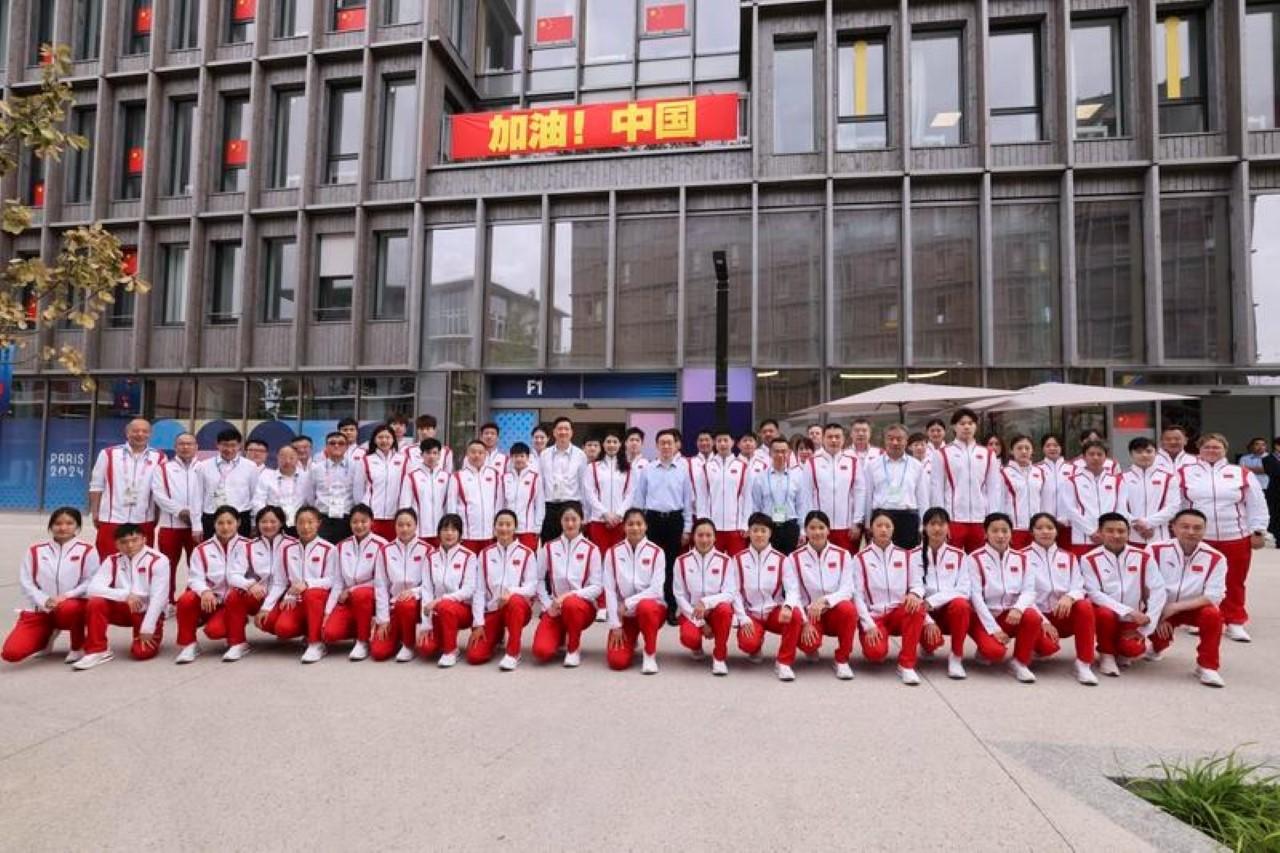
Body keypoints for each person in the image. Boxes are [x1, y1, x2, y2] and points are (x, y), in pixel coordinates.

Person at [1177, 433, 1268, 642]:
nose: (1211, 451)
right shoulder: (1185, 474)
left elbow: (1257, 504)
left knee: (1234, 580)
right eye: (1207, 447)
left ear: (1225, 450)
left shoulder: (1241, 473)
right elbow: (1178, 504)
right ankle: (1196, 618)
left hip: (1235, 535)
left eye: (1216, 447)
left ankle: (1234, 621)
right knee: (1196, 580)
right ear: (1199, 450)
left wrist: (1258, 530)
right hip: (1198, 537)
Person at [2, 507, 97, 665]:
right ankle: (47, 636)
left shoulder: (87, 550)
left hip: (72, 607)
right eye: (58, 523)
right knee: (11, 653)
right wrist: (44, 600)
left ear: (77, 527)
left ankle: (77, 646)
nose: (63, 527)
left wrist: (66, 596)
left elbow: (90, 581)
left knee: (69, 608)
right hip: (41, 610)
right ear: (51, 526)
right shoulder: (35, 551)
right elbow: (26, 582)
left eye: (69, 523)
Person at [1149, 509, 1228, 687]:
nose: (1191, 532)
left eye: (1197, 528)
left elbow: (1214, 595)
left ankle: (1207, 667)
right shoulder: (1155, 550)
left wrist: (1175, 607)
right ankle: (1156, 647)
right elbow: (1146, 585)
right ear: (1173, 527)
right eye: (1185, 527)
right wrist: (1159, 613)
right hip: (1160, 607)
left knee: (1212, 615)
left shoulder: (1216, 558)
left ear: (1205, 530)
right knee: (1155, 639)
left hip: (1193, 607)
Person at [74, 523, 170, 670]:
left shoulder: (159, 560)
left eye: (134, 540)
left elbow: (159, 597)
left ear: (144, 539)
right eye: (124, 542)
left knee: (141, 653)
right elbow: (92, 589)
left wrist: (148, 627)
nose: (130, 545)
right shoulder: (112, 560)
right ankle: (98, 650)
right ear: (116, 544)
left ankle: (145, 634)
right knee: (96, 602)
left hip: (146, 612)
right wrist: (125, 595)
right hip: (124, 608)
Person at [1081, 513, 1166, 677]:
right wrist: (1127, 611)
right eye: (1110, 531)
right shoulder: (1088, 559)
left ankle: (1121, 650)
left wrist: (1147, 623)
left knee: (1132, 650)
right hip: (1106, 617)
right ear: (1100, 532)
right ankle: (1106, 654)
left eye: (1121, 531)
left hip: (1134, 619)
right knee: (1104, 613)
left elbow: (1158, 588)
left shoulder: (1143, 557)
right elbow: (1093, 593)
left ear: (1128, 533)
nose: (1116, 535)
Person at [966, 513, 1043, 683]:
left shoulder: (1022, 558)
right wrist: (993, 628)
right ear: (985, 534)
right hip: (984, 618)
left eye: (1005, 531)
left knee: (1032, 616)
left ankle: (1020, 662)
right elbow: (975, 596)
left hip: (1010, 615)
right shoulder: (974, 558)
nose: (1000, 535)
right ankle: (985, 647)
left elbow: (1029, 591)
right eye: (995, 531)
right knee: (994, 653)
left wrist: (1018, 609)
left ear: (1011, 533)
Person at [851, 511, 925, 685]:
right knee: (875, 654)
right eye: (879, 526)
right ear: (871, 529)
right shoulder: (860, 558)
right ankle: (877, 641)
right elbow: (857, 595)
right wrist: (868, 625)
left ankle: (906, 665)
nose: (883, 530)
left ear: (893, 529)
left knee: (917, 607)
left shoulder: (906, 556)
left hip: (898, 613)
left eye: (887, 526)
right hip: (874, 616)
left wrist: (914, 594)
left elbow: (917, 584)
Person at [1025, 512, 1098, 686]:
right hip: (1037, 617)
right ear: (1031, 531)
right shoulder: (1021, 557)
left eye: (1050, 528)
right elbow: (1021, 594)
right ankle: (1036, 648)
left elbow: (1079, 586)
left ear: (1057, 531)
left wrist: (1069, 597)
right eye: (1039, 528)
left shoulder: (1069, 557)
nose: (1045, 532)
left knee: (1084, 606)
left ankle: (1084, 664)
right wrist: (1043, 621)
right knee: (1047, 648)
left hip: (1062, 613)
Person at [785, 510, 859, 680]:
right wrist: (805, 622)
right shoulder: (794, 558)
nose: (817, 532)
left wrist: (825, 601)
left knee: (849, 609)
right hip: (810, 613)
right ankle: (811, 647)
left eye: (821, 527)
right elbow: (793, 593)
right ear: (805, 530)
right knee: (808, 644)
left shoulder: (843, 554)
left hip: (834, 611)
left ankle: (842, 660)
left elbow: (848, 589)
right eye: (812, 528)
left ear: (828, 530)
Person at [261, 506, 338, 664]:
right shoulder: (287, 550)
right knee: (279, 627)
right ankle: (309, 631)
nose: (305, 527)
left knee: (311, 593)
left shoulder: (329, 549)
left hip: (319, 600)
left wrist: (308, 584)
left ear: (318, 523)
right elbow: (280, 582)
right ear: (295, 524)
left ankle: (316, 643)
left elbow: (333, 580)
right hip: (296, 601)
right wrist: (266, 607)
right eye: (301, 522)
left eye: (310, 522)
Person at [633, 428, 693, 624]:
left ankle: (671, 607)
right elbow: (639, 499)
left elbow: (688, 502)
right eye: (662, 443)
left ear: (676, 446)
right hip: (652, 521)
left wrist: (687, 529)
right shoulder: (648, 469)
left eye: (670, 443)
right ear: (657, 446)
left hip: (674, 521)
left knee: (671, 566)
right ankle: (652, 604)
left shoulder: (683, 471)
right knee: (651, 565)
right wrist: (638, 526)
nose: (666, 446)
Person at [173, 505, 247, 663]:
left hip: (235, 602)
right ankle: (189, 644)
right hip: (211, 601)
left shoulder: (248, 546)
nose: (225, 527)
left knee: (214, 631)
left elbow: (255, 576)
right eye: (220, 523)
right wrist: (205, 591)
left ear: (238, 523)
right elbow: (194, 578)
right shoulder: (202, 549)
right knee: (186, 599)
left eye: (230, 522)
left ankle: (238, 641)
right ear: (214, 524)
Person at [733, 514, 802, 681]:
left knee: (795, 615)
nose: (759, 535)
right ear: (748, 532)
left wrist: (787, 606)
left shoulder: (781, 559)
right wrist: (742, 618)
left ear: (770, 533)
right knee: (748, 644)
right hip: (751, 614)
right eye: (755, 530)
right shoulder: (738, 559)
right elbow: (734, 592)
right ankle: (755, 646)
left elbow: (793, 589)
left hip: (774, 613)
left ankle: (784, 662)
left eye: (763, 531)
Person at [532, 503, 600, 667]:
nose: (570, 524)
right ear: (560, 522)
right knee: (541, 651)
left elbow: (597, 586)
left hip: (582, 607)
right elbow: (538, 579)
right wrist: (547, 605)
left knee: (571, 604)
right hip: (555, 607)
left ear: (581, 521)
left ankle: (573, 649)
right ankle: (560, 634)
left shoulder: (592, 549)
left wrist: (570, 595)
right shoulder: (548, 547)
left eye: (574, 519)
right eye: (566, 519)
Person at [672, 518, 743, 676]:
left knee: (725, 609)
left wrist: (706, 602)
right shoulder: (681, 561)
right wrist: (701, 622)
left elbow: (730, 593)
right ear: (693, 537)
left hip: (715, 610)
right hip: (691, 612)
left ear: (715, 537)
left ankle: (719, 657)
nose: (704, 540)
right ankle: (696, 647)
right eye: (700, 535)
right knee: (689, 637)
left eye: (708, 535)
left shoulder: (725, 561)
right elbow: (679, 595)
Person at [469, 510, 538, 670]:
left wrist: (511, 592)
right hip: (493, 610)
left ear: (515, 528)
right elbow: (479, 590)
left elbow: (532, 587)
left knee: (514, 601)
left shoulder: (526, 553)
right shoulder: (485, 554)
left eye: (508, 524)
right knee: (475, 656)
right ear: (494, 528)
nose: (504, 528)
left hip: (517, 609)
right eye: (500, 524)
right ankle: (497, 634)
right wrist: (478, 623)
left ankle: (513, 653)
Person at [224, 506, 293, 662]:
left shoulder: (292, 545)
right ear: (257, 523)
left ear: (281, 522)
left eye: (273, 521)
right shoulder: (249, 546)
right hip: (259, 594)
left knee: (283, 628)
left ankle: (308, 635)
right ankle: (238, 643)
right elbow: (232, 575)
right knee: (235, 594)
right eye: (263, 522)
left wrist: (266, 607)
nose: (268, 525)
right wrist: (249, 585)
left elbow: (283, 582)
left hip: (285, 598)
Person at [603, 509, 667, 674]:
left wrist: (629, 602)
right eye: (630, 524)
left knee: (646, 606)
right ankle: (631, 640)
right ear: (624, 527)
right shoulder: (612, 553)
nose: (635, 528)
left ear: (646, 526)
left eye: (639, 524)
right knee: (617, 662)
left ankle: (649, 654)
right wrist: (615, 625)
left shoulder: (657, 552)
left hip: (651, 610)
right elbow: (609, 590)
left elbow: (656, 590)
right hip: (624, 615)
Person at [87, 417, 163, 557]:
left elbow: (160, 490)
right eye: (135, 431)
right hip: (112, 517)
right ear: (127, 433)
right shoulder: (108, 454)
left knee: (141, 561)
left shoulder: (159, 457)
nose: (140, 434)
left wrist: (157, 514)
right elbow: (96, 485)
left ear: (150, 434)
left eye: (144, 431)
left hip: (143, 518)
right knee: (107, 560)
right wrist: (95, 511)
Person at [913, 508, 972, 680]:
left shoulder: (959, 555)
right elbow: (913, 589)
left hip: (948, 611)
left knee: (961, 604)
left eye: (941, 524)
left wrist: (933, 601)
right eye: (932, 524)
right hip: (924, 613)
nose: (937, 528)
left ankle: (956, 657)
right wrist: (928, 619)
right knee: (930, 643)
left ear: (948, 527)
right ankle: (926, 645)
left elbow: (964, 590)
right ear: (924, 527)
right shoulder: (914, 555)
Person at [321, 504, 385, 662]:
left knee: (361, 594)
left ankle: (362, 641)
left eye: (364, 521)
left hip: (371, 597)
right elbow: (338, 582)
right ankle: (361, 627)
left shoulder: (381, 545)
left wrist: (353, 589)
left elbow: (382, 581)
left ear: (372, 522)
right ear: (349, 523)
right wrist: (328, 611)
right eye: (355, 522)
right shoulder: (341, 547)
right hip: (348, 599)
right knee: (329, 633)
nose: (359, 525)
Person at [417, 514, 482, 667]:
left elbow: (469, 589)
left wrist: (442, 599)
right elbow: (427, 590)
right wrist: (426, 624)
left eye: (454, 529)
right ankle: (443, 638)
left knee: (446, 606)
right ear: (439, 532)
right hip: (437, 611)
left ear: (460, 534)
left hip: (462, 611)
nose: (449, 533)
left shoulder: (469, 556)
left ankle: (451, 651)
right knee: (426, 649)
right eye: (445, 529)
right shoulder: (430, 557)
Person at [931, 409, 1000, 553]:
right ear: (954, 427)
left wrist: (993, 520)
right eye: (962, 423)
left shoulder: (988, 454)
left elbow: (994, 488)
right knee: (952, 560)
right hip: (953, 518)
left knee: (979, 560)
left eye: (970, 423)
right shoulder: (942, 453)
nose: (967, 427)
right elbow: (936, 488)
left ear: (976, 426)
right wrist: (941, 521)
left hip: (980, 519)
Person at [371, 509, 432, 663]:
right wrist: (383, 619)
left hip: (418, 604)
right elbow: (381, 585)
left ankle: (408, 644)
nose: (404, 529)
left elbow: (431, 583)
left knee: (406, 604)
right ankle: (397, 635)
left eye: (408, 525)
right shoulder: (385, 551)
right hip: (394, 606)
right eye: (400, 525)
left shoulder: (427, 550)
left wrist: (414, 592)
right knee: (379, 652)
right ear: (395, 526)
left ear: (416, 526)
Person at [863, 424, 929, 550]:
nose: (895, 442)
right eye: (891, 438)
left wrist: (923, 524)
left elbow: (922, 498)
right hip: (881, 517)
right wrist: (867, 524)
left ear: (906, 441)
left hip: (908, 518)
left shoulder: (916, 466)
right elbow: (868, 495)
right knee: (882, 556)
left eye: (899, 439)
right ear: (885, 440)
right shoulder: (872, 465)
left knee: (907, 557)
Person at [152, 432, 200, 604]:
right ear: (175, 447)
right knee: (167, 567)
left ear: (196, 447)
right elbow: (158, 495)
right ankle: (167, 602)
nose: (185, 447)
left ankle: (192, 599)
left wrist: (194, 515)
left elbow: (209, 494)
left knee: (197, 566)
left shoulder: (203, 468)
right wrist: (180, 512)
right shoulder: (163, 468)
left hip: (197, 527)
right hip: (170, 525)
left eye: (189, 444)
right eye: (181, 444)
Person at [802, 423, 866, 553]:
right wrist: (807, 525)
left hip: (847, 527)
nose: (834, 440)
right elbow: (806, 495)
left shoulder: (853, 462)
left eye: (837, 437)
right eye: (830, 437)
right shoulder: (812, 462)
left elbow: (860, 492)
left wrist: (857, 522)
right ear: (823, 439)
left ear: (843, 439)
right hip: (819, 528)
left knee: (846, 562)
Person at [1059, 440, 1124, 557]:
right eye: (1091, 454)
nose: (1095, 457)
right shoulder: (1072, 481)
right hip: (1083, 538)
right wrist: (1091, 531)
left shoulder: (1117, 481)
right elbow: (1070, 510)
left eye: (1099, 454)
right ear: (1084, 457)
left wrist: (1109, 532)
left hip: (1110, 538)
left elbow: (1121, 509)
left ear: (1106, 457)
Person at [353, 424, 413, 541]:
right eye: (380, 437)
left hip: (395, 517)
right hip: (372, 516)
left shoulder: (404, 461)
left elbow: (407, 489)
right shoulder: (366, 460)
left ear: (393, 439)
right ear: (374, 440)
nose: (384, 440)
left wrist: (403, 512)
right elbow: (358, 489)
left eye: (387, 437)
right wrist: (363, 511)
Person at [193, 427, 257, 538]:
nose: (229, 449)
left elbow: (254, 496)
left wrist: (253, 523)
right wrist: (196, 525)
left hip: (241, 517)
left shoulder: (250, 466)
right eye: (225, 445)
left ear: (240, 445)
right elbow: (196, 497)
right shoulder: (203, 466)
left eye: (233, 445)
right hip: (211, 517)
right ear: (217, 445)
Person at [751, 436, 806, 554]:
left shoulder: (797, 477)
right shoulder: (760, 478)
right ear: (770, 453)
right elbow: (756, 506)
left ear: (789, 453)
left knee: (789, 561)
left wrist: (802, 530)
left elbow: (801, 505)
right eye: (776, 451)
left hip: (790, 526)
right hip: (768, 526)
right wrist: (756, 529)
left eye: (783, 451)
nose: (780, 455)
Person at [702, 428, 752, 556]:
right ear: (714, 443)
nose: (723, 444)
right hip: (712, 528)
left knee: (736, 563)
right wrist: (703, 524)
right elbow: (702, 498)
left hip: (736, 528)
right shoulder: (707, 467)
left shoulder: (743, 467)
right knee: (713, 563)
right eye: (719, 441)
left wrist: (745, 524)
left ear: (733, 442)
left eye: (725, 440)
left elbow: (747, 498)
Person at [1120, 436, 1178, 547]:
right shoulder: (1121, 479)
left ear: (1156, 453)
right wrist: (1135, 523)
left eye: (1149, 451)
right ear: (1131, 454)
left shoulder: (1168, 478)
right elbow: (1118, 507)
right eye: (1139, 452)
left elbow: (1173, 507)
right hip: (1131, 537)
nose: (1144, 455)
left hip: (1160, 537)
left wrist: (1148, 523)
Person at [539, 417, 588, 542]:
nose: (563, 432)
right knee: (549, 544)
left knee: (573, 543)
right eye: (560, 429)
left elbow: (583, 485)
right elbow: (540, 484)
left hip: (572, 504)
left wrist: (585, 512)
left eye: (566, 429)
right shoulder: (544, 454)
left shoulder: (580, 455)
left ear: (571, 432)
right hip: (550, 506)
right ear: (554, 432)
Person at [583, 431, 632, 555]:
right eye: (608, 442)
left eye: (615, 442)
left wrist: (619, 514)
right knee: (599, 557)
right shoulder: (592, 467)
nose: (611, 445)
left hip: (620, 522)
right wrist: (604, 513)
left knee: (619, 558)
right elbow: (589, 493)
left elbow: (630, 494)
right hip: (598, 521)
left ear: (620, 444)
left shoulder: (628, 468)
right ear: (603, 445)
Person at [449, 440, 502, 553]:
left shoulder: (495, 475)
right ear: (467, 454)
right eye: (473, 452)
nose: (476, 455)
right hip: (467, 535)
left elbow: (499, 504)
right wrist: (454, 530)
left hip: (490, 534)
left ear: (485, 455)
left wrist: (497, 528)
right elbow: (451, 506)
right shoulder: (457, 476)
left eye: (480, 452)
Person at [994, 435, 1043, 550]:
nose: (1024, 451)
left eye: (1027, 448)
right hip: (1014, 529)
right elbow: (999, 502)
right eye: (1019, 448)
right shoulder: (1003, 473)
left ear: (1032, 450)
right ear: (1012, 451)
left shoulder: (1040, 472)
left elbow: (1043, 501)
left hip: (1037, 530)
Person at [252, 444, 313, 532]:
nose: (287, 461)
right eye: (283, 457)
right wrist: (265, 520)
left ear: (297, 458)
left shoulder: (306, 477)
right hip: (273, 524)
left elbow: (310, 502)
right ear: (277, 458)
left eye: (291, 458)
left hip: (298, 524)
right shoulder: (266, 476)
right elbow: (258, 501)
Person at [401, 438, 450, 545]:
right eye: (428, 453)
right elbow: (405, 505)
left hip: (440, 531)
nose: (431, 456)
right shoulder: (411, 477)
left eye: (434, 453)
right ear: (421, 455)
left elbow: (449, 506)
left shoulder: (447, 477)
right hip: (418, 531)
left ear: (439, 455)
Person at [312, 432, 357, 543]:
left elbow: (358, 493)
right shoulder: (316, 469)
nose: (336, 446)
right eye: (332, 443)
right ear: (326, 447)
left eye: (341, 443)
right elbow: (310, 495)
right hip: (323, 518)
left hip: (346, 518)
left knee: (345, 551)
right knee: (323, 551)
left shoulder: (355, 467)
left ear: (347, 447)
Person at [502, 442, 544, 550]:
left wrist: (537, 527)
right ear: (511, 458)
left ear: (528, 457)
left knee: (527, 558)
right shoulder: (505, 478)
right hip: (507, 529)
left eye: (522, 456)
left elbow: (540, 505)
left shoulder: (535, 478)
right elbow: (501, 504)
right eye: (516, 456)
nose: (519, 459)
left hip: (528, 529)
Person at [1036, 434, 1071, 548]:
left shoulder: (1073, 469)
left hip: (1067, 524)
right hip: (1044, 524)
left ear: (1061, 447)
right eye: (1048, 446)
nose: (1052, 448)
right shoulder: (1036, 469)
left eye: (1055, 445)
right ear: (1043, 448)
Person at [1264, 437, 1280, 546]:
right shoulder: (1267, 459)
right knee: (1276, 516)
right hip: (1275, 492)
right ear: (1276, 446)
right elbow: (1274, 472)